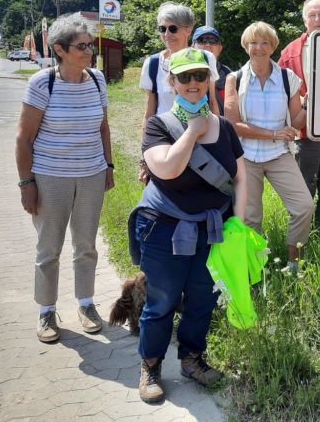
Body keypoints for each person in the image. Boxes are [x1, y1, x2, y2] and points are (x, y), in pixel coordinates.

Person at [132, 47, 247, 403]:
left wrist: (237, 226)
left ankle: (192, 359)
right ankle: (150, 365)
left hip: (212, 230)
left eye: (200, 76)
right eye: (185, 77)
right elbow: (165, 168)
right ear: (172, 82)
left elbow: (241, 178)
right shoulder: (159, 125)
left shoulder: (225, 128)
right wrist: (192, 131)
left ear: (210, 80)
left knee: (202, 299)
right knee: (162, 300)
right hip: (164, 229)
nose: (193, 83)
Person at [15, 15, 115, 343]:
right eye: (82, 46)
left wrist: (109, 167)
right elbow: (23, 139)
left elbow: (103, 128)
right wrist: (26, 184)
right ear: (59, 49)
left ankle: (86, 305)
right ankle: (46, 310)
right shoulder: (43, 83)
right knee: (49, 248)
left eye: (91, 45)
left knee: (86, 245)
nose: (90, 51)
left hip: (90, 175)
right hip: (50, 177)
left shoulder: (98, 80)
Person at [224, 22, 312, 268]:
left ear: (273, 47)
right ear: (246, 46)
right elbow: (232, 124)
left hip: (279, 155)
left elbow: (295, 121)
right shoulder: (235, 79)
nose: (259, 48)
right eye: (253, 42)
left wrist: (308, 105)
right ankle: (256, 269)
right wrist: (272, 133)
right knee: (251, 217)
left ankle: (295, 263)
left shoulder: (287, 77)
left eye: (265, 43)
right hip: (246, 156)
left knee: (304, 206)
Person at [278, 0, 320, 232]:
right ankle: (301, 239)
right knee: (304, 189)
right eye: (312, 15)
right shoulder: (290, 52)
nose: (317, 19)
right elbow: (280, 90)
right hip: (305, 132)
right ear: (305, 20)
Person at [138, 3, 220, 183]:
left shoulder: (206, 59)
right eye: (162, 29)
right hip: (164, 140)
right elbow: (149, 112)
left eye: (173, 29)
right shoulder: (152, 64)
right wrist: (145, 156)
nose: (167, 34)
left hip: (200, 138)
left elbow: (212, 102)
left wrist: (219, 142)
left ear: (188, 30)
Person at [192, 25, 233, 115]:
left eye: (213, 41)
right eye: (201, 40)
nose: (207, 45)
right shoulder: (184, 74)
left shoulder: (229, 75)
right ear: (193, 46)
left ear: (220, 48)